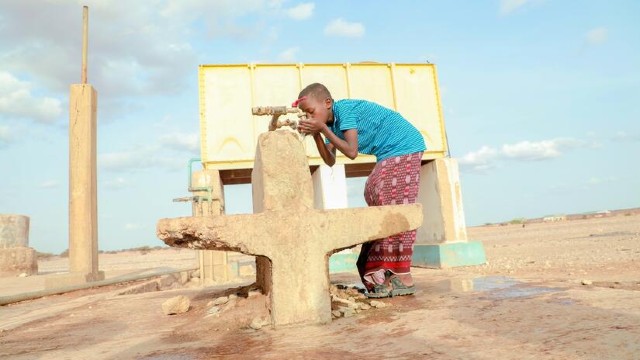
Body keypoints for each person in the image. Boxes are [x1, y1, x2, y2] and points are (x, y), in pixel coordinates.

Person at [294, 83, 426, 298]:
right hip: (386, 152)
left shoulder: (344, 110)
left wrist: (322, 129)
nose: (309, 116)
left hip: (404, 144)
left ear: (327, 103)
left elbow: (352, 151)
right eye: (306, 115)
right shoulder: (330, 126)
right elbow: (329, 160)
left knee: (392, 204)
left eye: (311, 112)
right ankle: (380, 271)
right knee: (373, 191)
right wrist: (317, 134)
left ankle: (402, 275)